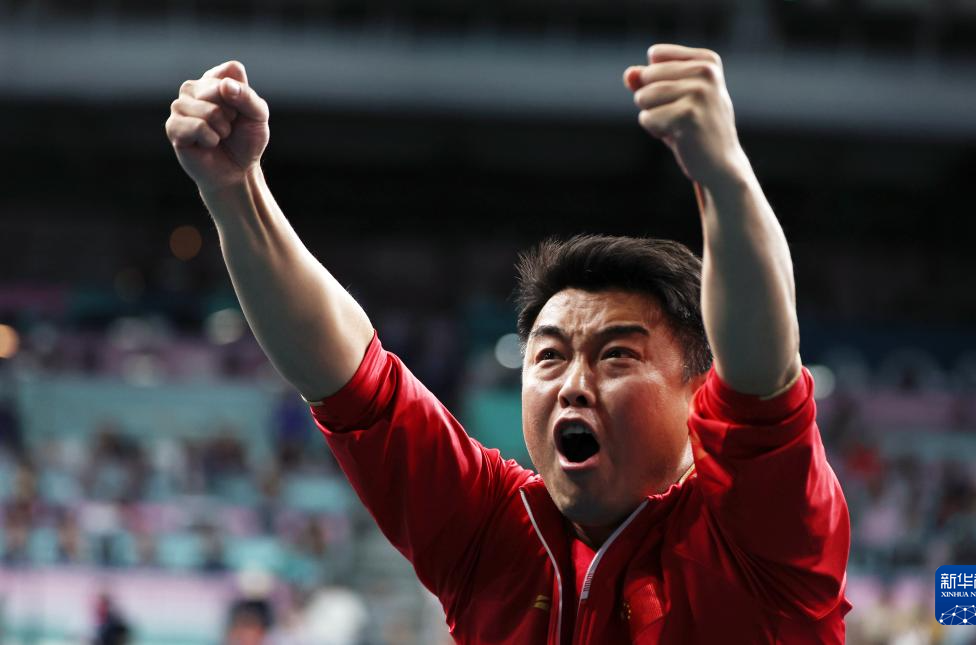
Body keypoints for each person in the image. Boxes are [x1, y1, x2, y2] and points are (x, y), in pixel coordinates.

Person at [166, 44, 851, 643]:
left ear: (701, 394)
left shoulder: (763, 544)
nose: (573, 384)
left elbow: (763, 381)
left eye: (617, 355)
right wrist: (235, 192)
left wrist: (723, 177)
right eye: (549, 355)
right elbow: (348, 380)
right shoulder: (490, 534)